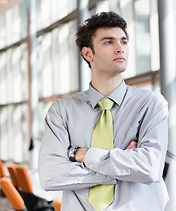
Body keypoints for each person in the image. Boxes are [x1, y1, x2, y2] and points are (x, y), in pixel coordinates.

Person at [38, 11, 169, 211]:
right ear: (87, 53)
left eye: (124, 42)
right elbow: (50, 176)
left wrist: (87, 156)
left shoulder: (151, 104)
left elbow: (150, 168)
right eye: (109, 42)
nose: (120, 49)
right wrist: (118, 167)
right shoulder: (62, 111)